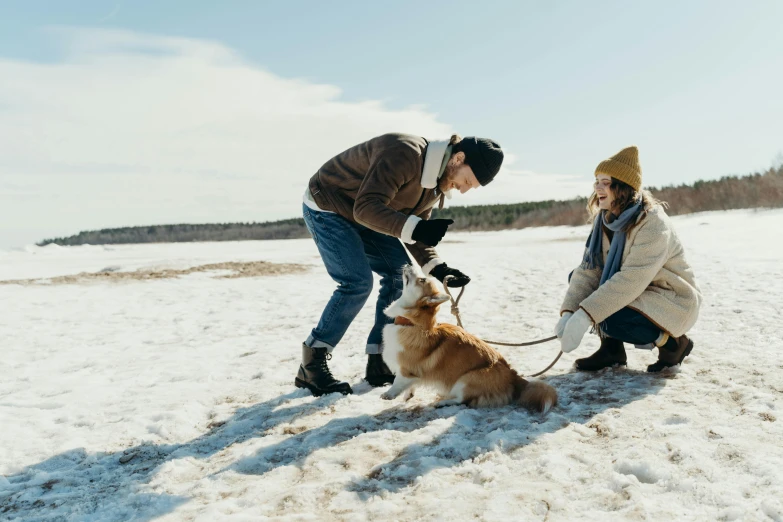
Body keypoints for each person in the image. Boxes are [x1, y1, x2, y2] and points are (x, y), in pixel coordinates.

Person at [298, 133, 504, 396]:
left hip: (366, 214)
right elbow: (367, 207)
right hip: (329, 205)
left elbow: (415, 233)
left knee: (399, 275)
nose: (462, 189)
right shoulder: (404, 153)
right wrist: (418, 228)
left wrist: (439, 268)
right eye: (466, 181)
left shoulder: (435, 185)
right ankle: (312, 363)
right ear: (458, 158)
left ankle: (378, 361)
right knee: (357, 282)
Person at [555, 146, 702, 372]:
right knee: (580, 280)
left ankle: (674, 344)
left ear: (622, 187)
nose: (597, 187)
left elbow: (631, 280)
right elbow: (589, 270)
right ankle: (611, 350)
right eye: (596, 180)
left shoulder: (652, 223)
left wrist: (585, 315)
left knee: (611, 315)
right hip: (638, 292)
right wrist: (569, 313)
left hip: (669, 297)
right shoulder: (604, 220)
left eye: (605, 181)